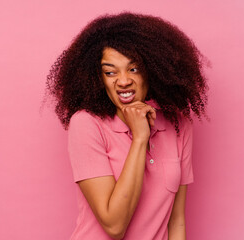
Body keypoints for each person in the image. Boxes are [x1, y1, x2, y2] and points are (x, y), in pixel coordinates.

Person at [45, 12, 208, 240]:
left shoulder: (178, 125)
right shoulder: (87, 124)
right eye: (110, 72)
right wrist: (140, 137)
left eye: (133, 69)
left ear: (152, 69)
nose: (123, 81)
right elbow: (114, 225)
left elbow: (177, 221)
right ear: (98, 78)